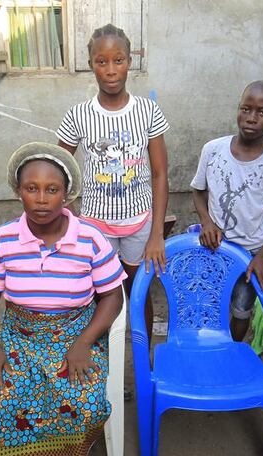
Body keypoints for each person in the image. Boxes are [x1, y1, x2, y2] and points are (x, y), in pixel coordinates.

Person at [0, 142, 126, 456]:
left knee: (80, 397)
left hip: (76, 331)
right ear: (18, 190)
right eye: (32, 188)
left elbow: (111, 297)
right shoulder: (3, 239)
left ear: (67, 193)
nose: (41, 199)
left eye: (51, 189)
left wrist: (83, 343)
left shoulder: (90, 239)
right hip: (20, 333)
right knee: (0, 393)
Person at [56, 23, 170, 333]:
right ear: (91, 63)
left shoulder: (147, 111)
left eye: (118, 60)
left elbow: (160, 174)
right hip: (94, 225)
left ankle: (142, 363)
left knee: (139, 292)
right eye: (101, 61)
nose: (110, 70)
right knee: (98, 296)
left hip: (139, 222)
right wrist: (64, 221)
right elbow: (57, 169)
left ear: (129, 62)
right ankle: (100, 361)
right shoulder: (78, 115)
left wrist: (156, 233)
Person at [191, 80, 263, 342]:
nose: (251, 118)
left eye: (262, 112)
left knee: (241, 310)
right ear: (238, 108)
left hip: (250, 254)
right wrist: (206, 222)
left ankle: (233, 350)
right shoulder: (213, 150)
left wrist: (262, 258)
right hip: (212, 247)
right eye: (246, 109)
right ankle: (206, 347)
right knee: (205, 303)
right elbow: (198, 190)